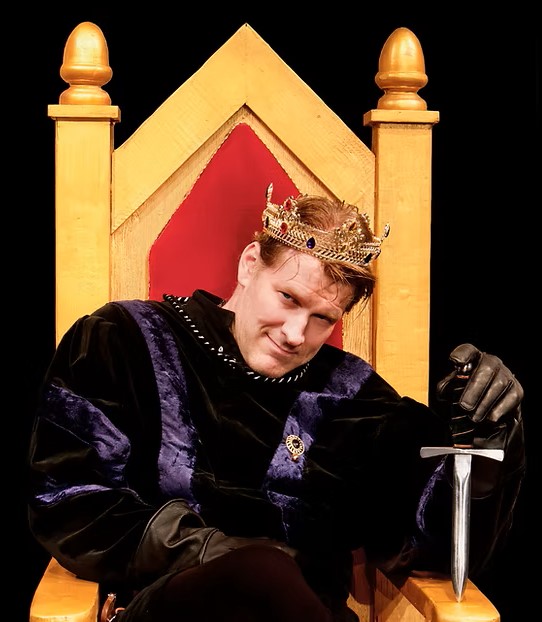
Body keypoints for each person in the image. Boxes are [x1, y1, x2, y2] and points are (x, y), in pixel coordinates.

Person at [28, 183, 525, 622]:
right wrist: (216, 552)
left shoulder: (353, 396)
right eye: (288, 298)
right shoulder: (125, 340)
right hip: (170, 605)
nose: (295, 334)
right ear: (249, 264)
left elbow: (435, 546)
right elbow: (68, 500)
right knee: (263, 573)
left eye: (322, 319)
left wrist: (484, 447)